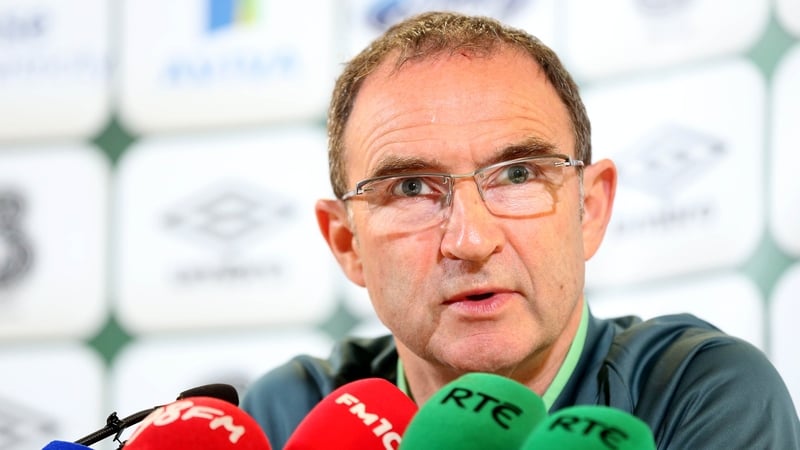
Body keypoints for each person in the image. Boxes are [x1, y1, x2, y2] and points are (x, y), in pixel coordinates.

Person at [241, 11, 800, 448]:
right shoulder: (290, 412)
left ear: (590, 210)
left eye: (517, 175)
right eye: (411, 188)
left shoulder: (697, 393)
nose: (471, 239)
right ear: (348, 243)